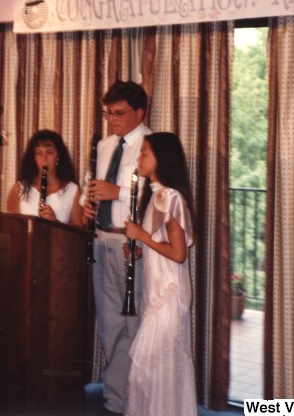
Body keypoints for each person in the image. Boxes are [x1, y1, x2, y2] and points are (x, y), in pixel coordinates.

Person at [81, 80, 151, 413]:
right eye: (109, 113)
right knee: (109, 322)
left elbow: (158, 196)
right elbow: (91, 186)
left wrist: (117, 192)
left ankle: (130, 398)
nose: (113, 120)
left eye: (120, 114)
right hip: (102, 239)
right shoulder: (105, 145)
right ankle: (115, 398)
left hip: (132, 244)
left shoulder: (152, 146)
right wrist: (86, 203)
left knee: (134, 322)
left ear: (140, 112)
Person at [123, 132, 197, 416]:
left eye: (144, 153)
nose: (139, 159)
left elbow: (178, 254)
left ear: (161, 159)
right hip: (156, 292)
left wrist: (142, 235)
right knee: (152, 370)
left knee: (154, 367)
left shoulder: (170, 198)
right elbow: (160, 244)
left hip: (169, 293)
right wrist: (140, 248)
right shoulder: (154, 196)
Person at [6, 129, 83, 225]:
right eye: (38, 153)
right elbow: (11, 228)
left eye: (49, 152)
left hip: (58, 240)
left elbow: (80, 236)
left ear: (58, 156)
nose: (44, 158)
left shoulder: (73, 191)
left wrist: (56, 223)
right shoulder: (18, 188)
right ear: (33, 157)